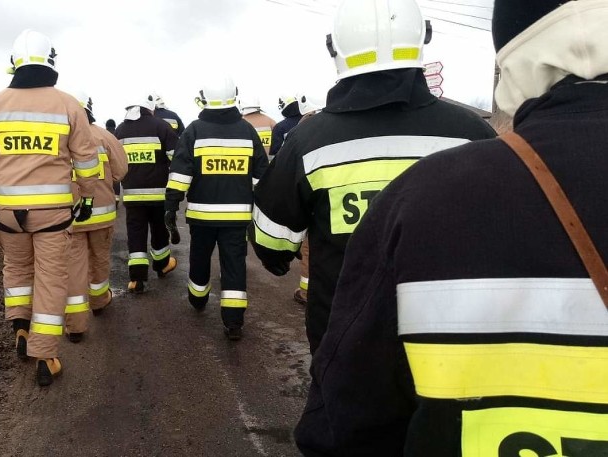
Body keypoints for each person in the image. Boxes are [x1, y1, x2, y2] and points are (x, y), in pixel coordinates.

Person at [294, 0, 608, 454]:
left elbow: (345, 425)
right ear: (422, 40)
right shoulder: (468, 129)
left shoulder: (415, 195)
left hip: (350, 328)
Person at [250, 0, 497, 355]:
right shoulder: (474, 135)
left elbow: (272, 242)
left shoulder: (309, 141)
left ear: (334, 48)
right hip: (451, 349)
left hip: (346, 349)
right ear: (423, 37)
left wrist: (278, 260)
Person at [0, 29, 100, 387]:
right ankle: (45, 355)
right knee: (52, 280)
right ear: (51, 62)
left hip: (8, 212)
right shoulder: (69, 105)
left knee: (18, 270)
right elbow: (86, 160)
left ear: (13, 63)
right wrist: (86, 196)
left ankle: (21, 328)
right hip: (52, 213)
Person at [164, 75, 269, 340]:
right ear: (234, 97)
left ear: (204, 100)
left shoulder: (194, 131)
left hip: (201, 216)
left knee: (199, 259)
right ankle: (233, 322)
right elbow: (261, 178)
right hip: (237, 217)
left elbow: (180, 173)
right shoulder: (247, 131)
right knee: (234, 265)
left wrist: (171, 205)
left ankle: (198, 299)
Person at [64, 91, 128, 342]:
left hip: (71, 215)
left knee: (73, 269)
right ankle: (100, 302)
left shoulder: (61, 136)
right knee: (100, 260)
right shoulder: (104, 136)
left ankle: (76, 326)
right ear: (90, 109)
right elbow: (121, 170)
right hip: (101, 214)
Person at [115, 94, 179, 293]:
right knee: (159, 231)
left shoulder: (120, 129)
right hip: (159, 195)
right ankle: (162, 266)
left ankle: (137, 279)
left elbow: (117, 162)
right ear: (149, 108)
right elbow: (175, 157)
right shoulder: (160, 126)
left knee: (135, 234)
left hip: (133, 196)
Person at [291, 90, 327, 306]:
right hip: (343, 197)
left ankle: (306, 292)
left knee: (310, 247)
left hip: (313, 197)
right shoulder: (345, 124)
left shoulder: (304, 129)